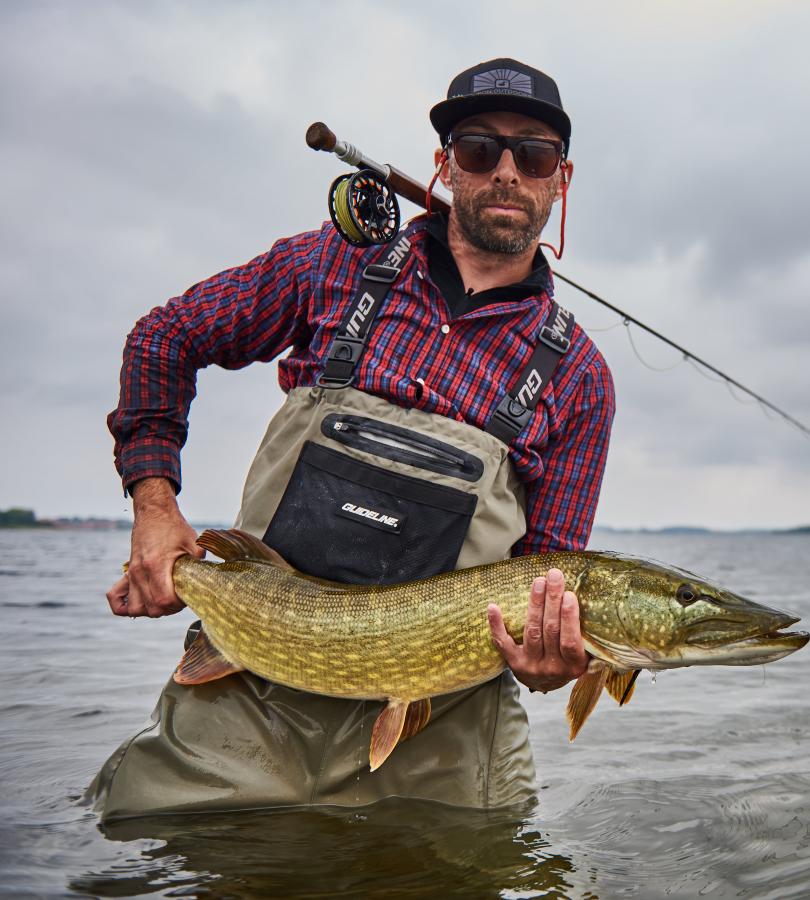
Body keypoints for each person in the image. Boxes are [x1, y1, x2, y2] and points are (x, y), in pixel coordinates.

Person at [88, 58, 615, 820]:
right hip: (251, 686)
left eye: (531, 155)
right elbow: (163, 339)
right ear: (444, 166)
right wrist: (154, 508)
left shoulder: (580, 378)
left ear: (559, 180)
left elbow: (544, 583)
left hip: (440, 732)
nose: (506, 172)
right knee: (136, 840)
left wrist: (549, 666)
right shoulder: (333, 265)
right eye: (479, 150)